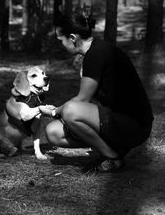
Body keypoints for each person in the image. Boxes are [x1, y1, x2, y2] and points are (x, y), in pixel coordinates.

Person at [40, 11, 153, 172]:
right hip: (116, 120)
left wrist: (54, 112)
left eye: (61, 40)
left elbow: (83, 100)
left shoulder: (95, 55)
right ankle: (114, 149)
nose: (61, 45)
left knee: (71, 111)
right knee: (53, 132)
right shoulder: (96, 50)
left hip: (134, 125)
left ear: (72, 38)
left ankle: (112, 157)